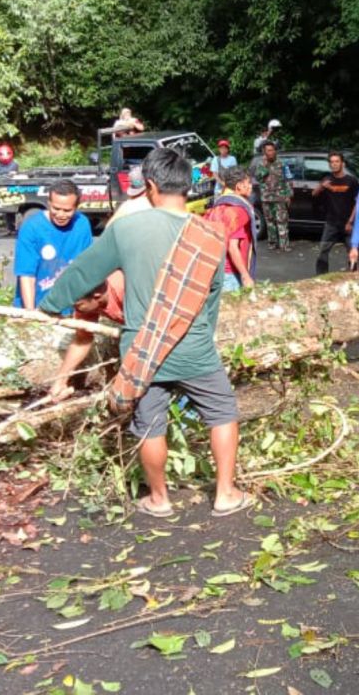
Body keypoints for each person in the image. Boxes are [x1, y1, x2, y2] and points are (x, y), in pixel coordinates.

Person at [39, 147, 252, 519]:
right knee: (222, 413)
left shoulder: (126, 229)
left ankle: (159, 499)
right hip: (196, 347)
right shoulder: (210, 233)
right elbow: (214, 296)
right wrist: (201, 333)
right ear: (188, 186)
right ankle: (225, 494)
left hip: (142, 350)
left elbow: (82, 273)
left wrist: (50, 306)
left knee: (150, 424)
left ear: (150, 186)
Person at [13, 180, 92, 309]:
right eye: (56, 208)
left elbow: (86, 267)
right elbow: (27, 275)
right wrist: (30, 313)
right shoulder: (31, 227)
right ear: (49, 203)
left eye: (67, 210)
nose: (60, 215)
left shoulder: (82, 224)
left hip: (69, 308)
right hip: (37, 305)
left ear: (76, 207)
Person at [49, 272, 125, 402]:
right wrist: (60, 381)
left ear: (97, 296)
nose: (75, 308)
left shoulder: (124, 291)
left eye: (77, 305)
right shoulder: (87, 301)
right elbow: (82, 339)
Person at [204, 168, 257, 292]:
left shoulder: (219, 204)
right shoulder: (237, 211)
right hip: (230, 274)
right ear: (239, 186)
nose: (251, 186)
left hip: (215, 269)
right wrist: (245, 276)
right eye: (248, 183)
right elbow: (233, 247)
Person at [313, 152, 359, 274]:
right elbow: (314, 194)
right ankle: (321, 277)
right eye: (332, 162)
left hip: (348, 223)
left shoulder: (351, 181)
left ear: (342, 163)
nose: (334, 164)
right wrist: (322, 186)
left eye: (337, 161)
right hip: (331, 223)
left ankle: (353, 276)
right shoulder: (327, 179)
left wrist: (351, 221)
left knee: (352, 251)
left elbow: (358, 202)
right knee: (323, 251)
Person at [255, 141, 292, 251]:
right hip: (266, 198)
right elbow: (258, 178)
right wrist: (265, 168)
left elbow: (288, 179)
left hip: (280, 197)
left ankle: (284, 245)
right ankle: (272, 243)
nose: (271, 152)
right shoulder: (261, 164)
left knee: (282, 221)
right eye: (268, 151)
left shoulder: (282, 163)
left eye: (272, 150)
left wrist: (289, 195)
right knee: (270, 222)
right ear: (264, 152)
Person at [0, 145, 20, 233]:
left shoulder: (14, 163)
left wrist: (6, 175)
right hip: (3, 188)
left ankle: (16, 227)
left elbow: (14, 174)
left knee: (15, 209)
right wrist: (7, 175)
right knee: (6, 210)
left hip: (13, 188)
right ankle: (9, 228)